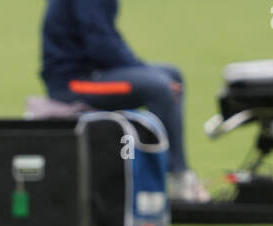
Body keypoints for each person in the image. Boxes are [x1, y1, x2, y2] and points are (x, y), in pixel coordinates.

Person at [39, 0, 209, 202]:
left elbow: (105, 41)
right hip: (73, 83)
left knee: (171, 75)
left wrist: (143, 70)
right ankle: (174, 180)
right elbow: (101, 43)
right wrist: (144, 71)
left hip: (94, 71)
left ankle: (179, 173)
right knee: (160, 87)